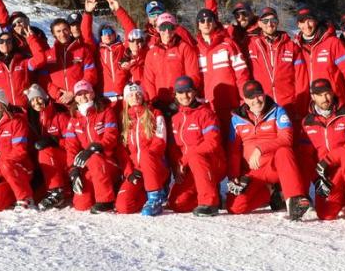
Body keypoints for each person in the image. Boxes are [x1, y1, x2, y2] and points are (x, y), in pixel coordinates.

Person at [226, 80, 308, 219]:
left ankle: (295, 200)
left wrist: (260, 149)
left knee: (284, 151)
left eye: (259, 95)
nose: (256, 100)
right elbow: (234, 151)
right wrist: (234, 176)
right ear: (245, 99)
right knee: (235, 207)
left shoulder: (278, 111)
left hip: (274, 167)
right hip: (253, 172)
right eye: (251, 97)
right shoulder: (236, 119)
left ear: (264, 94)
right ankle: (272, 193)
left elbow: (286, 139)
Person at [301, 78, 345, 224]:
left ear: (332, 93)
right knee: (325, 213)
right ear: (313, 96)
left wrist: (330, 158)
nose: (325, 98)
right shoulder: (307, 122)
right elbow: (306, 157)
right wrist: (316, 179)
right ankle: (343, 199)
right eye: (320, 95)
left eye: (327, 94)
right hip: (328, 173)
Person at [167, 76, 224, 216]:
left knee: (195, 155)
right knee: (177, 203)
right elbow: (174, 147)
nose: (185, 96)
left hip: (211, 163)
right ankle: (210, 192)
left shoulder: (206, 114)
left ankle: (210, 203)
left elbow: (212, 143)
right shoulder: (175, 118)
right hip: (189, 168)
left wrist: (185, 160)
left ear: (194, 92)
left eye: (188, 91)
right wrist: (177, 166)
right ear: (175, 94)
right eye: (180, 92)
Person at [63, 81, 120, 213]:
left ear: (93, 94)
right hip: (89, 166)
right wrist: (73, 169)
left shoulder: (105, 111)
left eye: (86, 93)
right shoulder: (74, 119)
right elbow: (71, 147)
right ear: (75, 98)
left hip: (108, 161)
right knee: (81, 204)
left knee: (95, 159)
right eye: (79, 94)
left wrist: (93, 149)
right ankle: (104, 190)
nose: (83, 97)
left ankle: (106, 201)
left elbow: (111, 137)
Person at [193, 5, 250, 127]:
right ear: (198, 25)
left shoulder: (228, 44)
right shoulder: (195, 50)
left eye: (209, 20)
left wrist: (245, 99)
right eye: (202, 21)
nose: (206, 23)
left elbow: (242, 74)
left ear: (215, 23)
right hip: (209, 106)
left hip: (231, 104)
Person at [295, 8, 345, 107]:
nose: (307, 26)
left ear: (316, 21)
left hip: (335, 103)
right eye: (302, 22)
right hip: (310, 105)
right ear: (298, 24)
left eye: (310, 20)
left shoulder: (333, 43)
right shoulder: (297, 46)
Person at [247, 7, 309, 117]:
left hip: (289, 105)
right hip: (262, 106)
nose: (269, 24)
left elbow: (301, 80)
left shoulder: (291, 46)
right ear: (259, 23)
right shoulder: (250, 45)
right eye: (265, 21)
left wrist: (300, 107)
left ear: (278, 22)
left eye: (273, 20)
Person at [0, 88, 36, 211]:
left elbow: (20, 151)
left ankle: (26, 199)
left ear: (4, 103)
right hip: (2, 173)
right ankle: (14, 196)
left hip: (21, 168)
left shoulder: (16, 122)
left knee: (6, 164)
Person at [118, 82, 167, 215]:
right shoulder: (124, 119)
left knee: (146, 154)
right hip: (136, 171)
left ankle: (155, 198)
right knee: (123, 206)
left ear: (143, 96)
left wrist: (147, 160)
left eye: (138, 94)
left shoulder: (155, 113)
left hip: (153, 166)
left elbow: (161, 139)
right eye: (131, 95)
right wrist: (129, 171)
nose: (135, 97)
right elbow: (123, 151)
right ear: (126, 99)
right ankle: (147, 195)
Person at [28, 16, 98, 106]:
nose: (62, 34)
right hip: (58, 103)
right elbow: (44, 80)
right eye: (58, 31)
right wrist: (58, 94)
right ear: (54, 34)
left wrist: (74, 92)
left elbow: (91, 75)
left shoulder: (83, 50)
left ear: (69, 30)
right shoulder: (48, 55)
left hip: (81, 99)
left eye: (65, 30)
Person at [25, 84, 71, 209]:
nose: (36, 103)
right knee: (34, 197)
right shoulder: (34, 119)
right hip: (49, 165)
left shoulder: (60, 115)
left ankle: (57, 191)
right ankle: (57, 189)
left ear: (45, 97)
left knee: (45, 151)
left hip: (66, 159)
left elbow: (72, 142)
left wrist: (55, 141)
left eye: (38, 98)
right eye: (32, 101)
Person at [142, 13, 201, 110]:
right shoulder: (152, 53)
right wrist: (154, 100)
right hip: (159, 103)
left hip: (181, 102)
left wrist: (182, 98)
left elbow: (193, 76)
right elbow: (149, 80)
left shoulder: (184, 48)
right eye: (163, 27)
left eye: (170, 27)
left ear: (175, 28)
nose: (167, 31)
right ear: (157, 29)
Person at [81, 0, 130, 105]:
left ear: (115, 34)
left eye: (110, 32)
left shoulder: (122, 47)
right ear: (100, 36)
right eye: (104, 33)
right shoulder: (96, 50)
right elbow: (86, 35)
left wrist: (118, 10)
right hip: (103, 98)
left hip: (123, 97)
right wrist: (88, 13)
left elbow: (130, 30)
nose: (107, 35)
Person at [0, 30, 32, 108]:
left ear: (13, 44)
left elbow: (40, 59)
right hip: (4, 108)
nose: (5, 43)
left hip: (25, 106)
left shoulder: (24, 61)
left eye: (8, 41)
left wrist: (32, 39)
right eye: (1, 41)